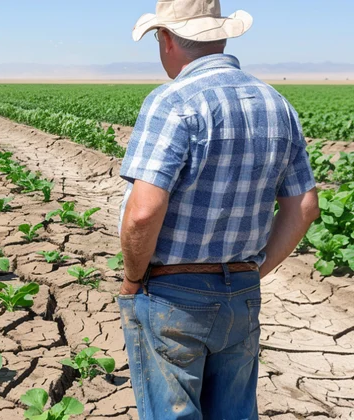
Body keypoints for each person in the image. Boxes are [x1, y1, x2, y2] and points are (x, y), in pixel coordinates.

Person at [117, 0, 320, 419]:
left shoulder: (171, 102)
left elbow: (142, 212)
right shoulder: (277, 104)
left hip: (172, 295)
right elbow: (304, 207)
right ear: (221, 34)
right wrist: (251, 272)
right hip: (241, 295)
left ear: (167, 39)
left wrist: (133, 278)